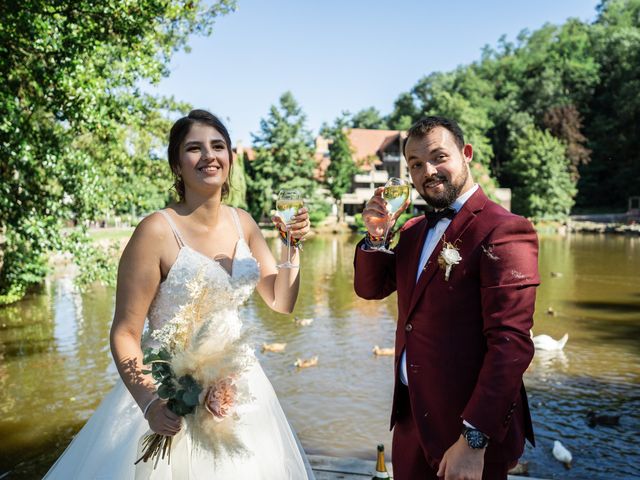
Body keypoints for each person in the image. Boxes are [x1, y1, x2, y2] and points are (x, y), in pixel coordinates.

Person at [44, 109, 315, 479]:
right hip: (168, 395)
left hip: (241, 393)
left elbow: (282, 303)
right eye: (194, 148)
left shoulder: (244, 223)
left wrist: (291, 246)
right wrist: (151, 403)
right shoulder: (155, 231)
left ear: (230, 159)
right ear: (177, 163)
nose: (209, 155)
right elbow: (124, 332)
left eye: (218, 146)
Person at [354, 116, 539, 480]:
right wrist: (376, 238)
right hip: (411, 422)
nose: (429, 171)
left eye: (439, 157)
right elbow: (370, 289)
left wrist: (474, 440)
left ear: (466, 154)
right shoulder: (411, 231)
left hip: (467, 433)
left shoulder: (505, 229)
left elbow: (510, 345)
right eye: (416, 164)